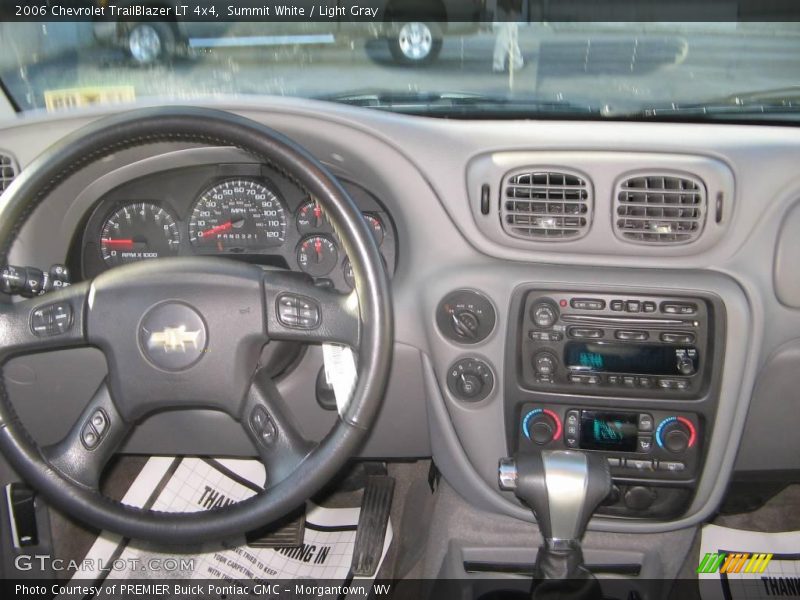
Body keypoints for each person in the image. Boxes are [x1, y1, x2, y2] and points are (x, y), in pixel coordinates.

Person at [493, 0, 524, 72]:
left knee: (511, 38)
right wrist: (510, 10)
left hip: (509, 9)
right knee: (504, 36)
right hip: (508, 9)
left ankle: (517, 61)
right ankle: (498, 64)